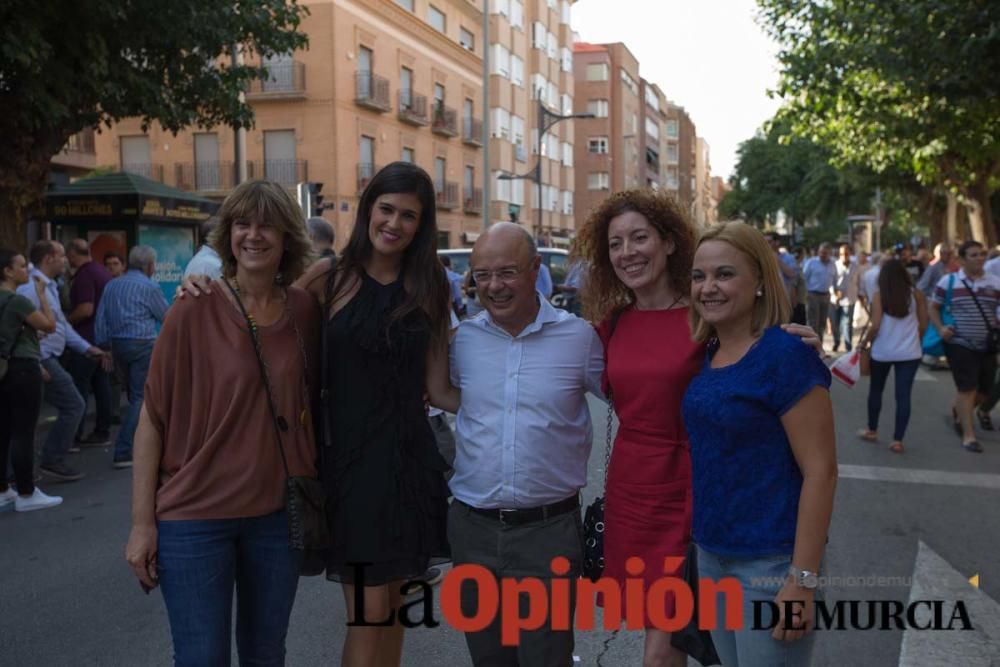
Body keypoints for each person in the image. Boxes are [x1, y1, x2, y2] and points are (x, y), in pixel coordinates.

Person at [185, 163, 456, 666]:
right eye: (386, 209)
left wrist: (521, 399)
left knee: (395, 611)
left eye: (409, 216)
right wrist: (207, 292)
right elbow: (258, 314)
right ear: (369, 208)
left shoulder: (430, 284)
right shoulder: (329, 278)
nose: (394, 223)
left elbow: (439, 390)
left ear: (423, 225)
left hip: (412, 467)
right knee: (369, 611)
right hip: (349, 469)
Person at [124, 180, 319, 665]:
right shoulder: (192, 308)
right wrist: (141, 524)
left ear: (287, 237)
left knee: (265, 654)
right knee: (201, 658)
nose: (253, 235)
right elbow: (151, 417)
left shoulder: (304, 311)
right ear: (227, 235)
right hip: (194, 518)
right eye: (241, 224)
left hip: (277, 518)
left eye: (267, 225)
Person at [449, 222, 604, 667]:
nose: (493, 286)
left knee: (546, 659)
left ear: (536, 269)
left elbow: (636, 392)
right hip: (472, 530)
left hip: (548, 534)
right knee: (489, 658)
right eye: (482, 275)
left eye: (507, 272)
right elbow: (445, 396)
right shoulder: (463, 343)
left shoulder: (579, 339)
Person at [683, 221, 837, 666]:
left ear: (758, 283)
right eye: (699, 276)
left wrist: (802, 580)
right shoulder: (707, 352)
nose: (708, 287)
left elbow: (821, 471)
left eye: (725, 274)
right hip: (712, 555)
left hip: (770, 566)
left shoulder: (785, 355)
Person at [17, 241, 106, 482]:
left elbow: (63, 327)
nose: (66, 260)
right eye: (61, 256)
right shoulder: (30, 289)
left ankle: (24, 468)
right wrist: (36, 360)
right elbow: (25, 326)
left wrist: (87, 348)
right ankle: (50, 460)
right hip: (41, 358)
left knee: (28, 413)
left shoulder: (49, 287)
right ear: (48, 259)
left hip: (46, 357)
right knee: (73, 404)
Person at [95, 245, 169, 468]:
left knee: (133, 396)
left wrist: (104, 346)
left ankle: (135, 441)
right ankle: (124, 449)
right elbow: (166, 316)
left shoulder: (112, 285)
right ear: (149, 266)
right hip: (142, 343)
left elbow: (101, 317)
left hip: (117, 345)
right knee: (140, 397)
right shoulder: (150, 287)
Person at [0, 249, 62, 512]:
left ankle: (3, 489)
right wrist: (41, 297)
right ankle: (27, 492)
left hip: (3, 368)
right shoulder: (17, 301)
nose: (27, 271)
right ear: (7, 271)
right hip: (23, 368)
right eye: (22, 266)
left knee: (3, 430)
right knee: (23, 431)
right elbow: (49, 325)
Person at [928, 240, 1000, 453]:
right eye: (974, 255)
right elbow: (933, 307)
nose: (980, 258)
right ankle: (969, 435)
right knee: (967, 388)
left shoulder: (995, 283)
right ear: (961, 259)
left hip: (988, 344)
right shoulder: (949, 282)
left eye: (982, 254)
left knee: (985, 390)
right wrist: (941, 328)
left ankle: (960, 409)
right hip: (960, 343)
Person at [857, 260, 928, 453]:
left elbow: (876, 325)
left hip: (882, 352)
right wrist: (916, 341)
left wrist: (865, 343)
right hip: (910, 353)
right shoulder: (917, 295)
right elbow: (923, 325)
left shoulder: (879, 296)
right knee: (903, 396)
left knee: (876, 390)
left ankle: (872, 430)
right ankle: (898, 440)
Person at [65, 239, 114, 446]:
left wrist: (64, 324)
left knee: (80, 386)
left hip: (85, 339)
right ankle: (102, 430)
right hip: (102, 338)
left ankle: (74, 434)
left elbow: (85, 309)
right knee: (101, 384)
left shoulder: (85, 275)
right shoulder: (102, 272)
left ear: (74, 254)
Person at [802, 242, 837, 342]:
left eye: (825, 253)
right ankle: (811, 347)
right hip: (813, 295)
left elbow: (834, 278)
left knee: (822, 323)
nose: (822, 254)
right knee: (813, 322)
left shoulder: (832, 264)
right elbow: (804, 278)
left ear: (830, 253)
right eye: (821, 252)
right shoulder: (811, 262)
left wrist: (836, 290)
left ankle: (819, 344)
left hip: (826, 295)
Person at [830, 243, 860, 352]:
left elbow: (858, 282)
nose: (844, 255)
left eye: (846, 253)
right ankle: (836, 341)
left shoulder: (855, 266)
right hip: (836, 300)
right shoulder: (834, 265)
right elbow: (830, 282)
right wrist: (834, 293)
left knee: (847, 324)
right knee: (835, 323)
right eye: (842, 254)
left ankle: (848, 346)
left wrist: (861, 295)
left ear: (850, 254)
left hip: (850, 299)